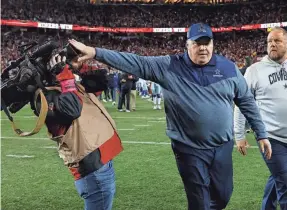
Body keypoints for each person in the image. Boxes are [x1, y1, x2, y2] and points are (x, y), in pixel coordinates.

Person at [68, 23, 272, 210]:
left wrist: (261, 133)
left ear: (212, 43)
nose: (202, 48)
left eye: (206, 43)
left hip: (222, 146)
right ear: (187, 45)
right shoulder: (169, 66)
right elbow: (136, 62)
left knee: (223, 196)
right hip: (188, 148)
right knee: (199, 201)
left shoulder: (228, 68)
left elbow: (245, 100)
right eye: (197, 43)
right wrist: (95, 52)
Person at [32, 55, 123, 210]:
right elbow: (73, 110)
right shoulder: (45, 97)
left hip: (100, 161)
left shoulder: (67, 85)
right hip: (92, 166)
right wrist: (64, 76)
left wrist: (79, 68)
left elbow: (102, 82)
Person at [234, 27, 287, 210]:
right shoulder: (254, 70)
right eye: (270, 41)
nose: (272, 44)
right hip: (270, 137)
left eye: (277, 41)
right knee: (285, 183)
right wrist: (239, 134)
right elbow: (242, 103)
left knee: (278, 176)